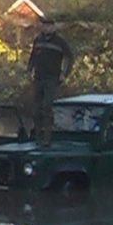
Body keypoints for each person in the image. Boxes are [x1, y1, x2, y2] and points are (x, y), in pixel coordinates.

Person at [26, 17, 74, 146]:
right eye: (44, 25)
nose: (46, 28)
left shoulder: (60, 42)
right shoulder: (38, 40)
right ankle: (37, 138)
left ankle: (47, 139)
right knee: (36, 109)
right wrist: (29, 70)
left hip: (52, 78)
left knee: (48, 107)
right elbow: (32, 57)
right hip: (38, 78)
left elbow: (70, 57)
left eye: (48, 25)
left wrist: (64, 74)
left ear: (54, 27)